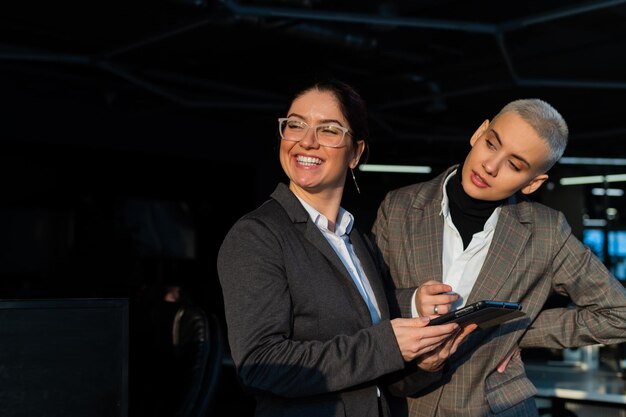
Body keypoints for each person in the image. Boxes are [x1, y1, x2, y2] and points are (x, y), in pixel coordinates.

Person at [217, 79, 476, 417]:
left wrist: (425, 360)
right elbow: (261, 364)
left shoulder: (357, 240)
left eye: (328, 130)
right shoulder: (257, 235)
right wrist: (387, 345)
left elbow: (377, 376)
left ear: (355, 153)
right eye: (295, 125)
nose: (306, 141)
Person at [371, 98, 626, 416]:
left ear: (533, 183)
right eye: (492, 144)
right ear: (479, 132)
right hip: (402, 402)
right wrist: (411, 301)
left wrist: (510, 331)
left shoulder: (547, 231)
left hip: (494, 407)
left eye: (514, 165)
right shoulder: (399, 207)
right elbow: (363, 305)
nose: (490, 166)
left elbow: (619, 313)